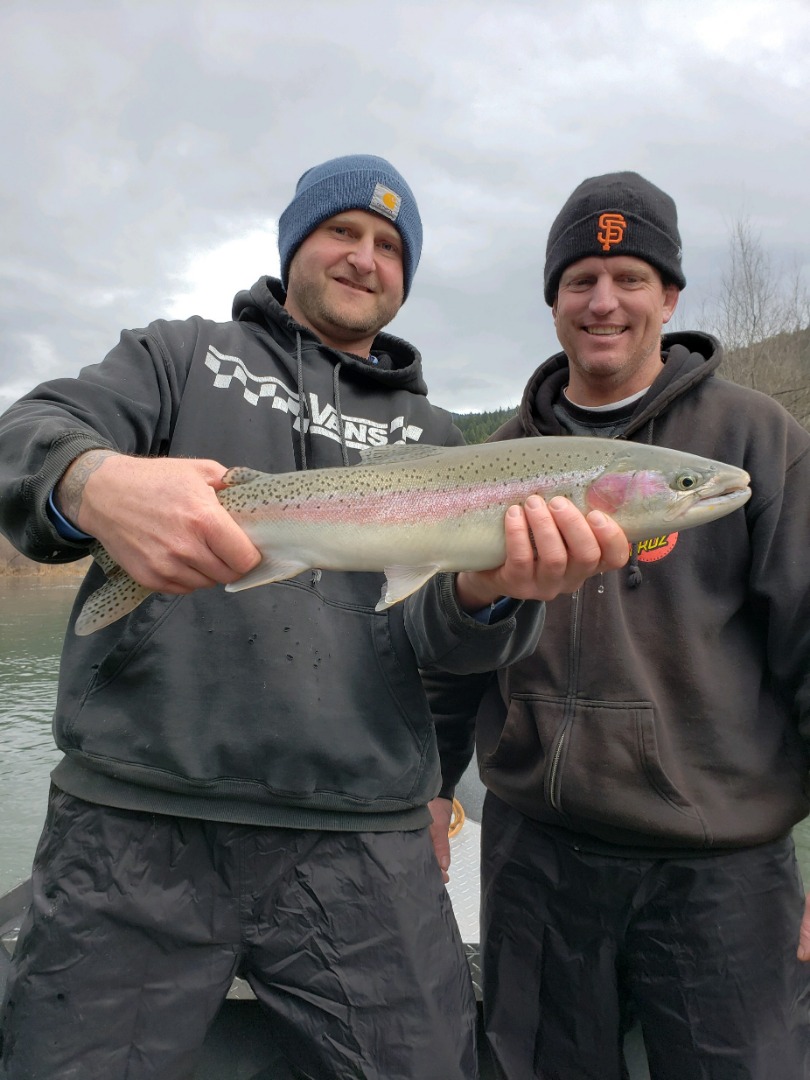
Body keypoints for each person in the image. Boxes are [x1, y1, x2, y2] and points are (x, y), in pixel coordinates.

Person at [0, 155, 629, 1080]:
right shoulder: (179, 356)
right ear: (295, 243)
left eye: (389, 245)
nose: (364, 257)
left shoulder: (437, 438)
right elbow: (30, 431)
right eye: (343, 231)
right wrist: (91, 482)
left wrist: (492, 593)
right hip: (135, 821)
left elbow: (435, 647)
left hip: (361, 839)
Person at [427, 171, 810, 1080]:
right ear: (553, 302)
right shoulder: (495, 459)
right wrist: (432, 789)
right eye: (581, 281)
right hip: (535, 859)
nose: (605, 302)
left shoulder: (754, 442)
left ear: (669, 296)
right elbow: (446, 663)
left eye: (631, 278)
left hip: (722, 870)